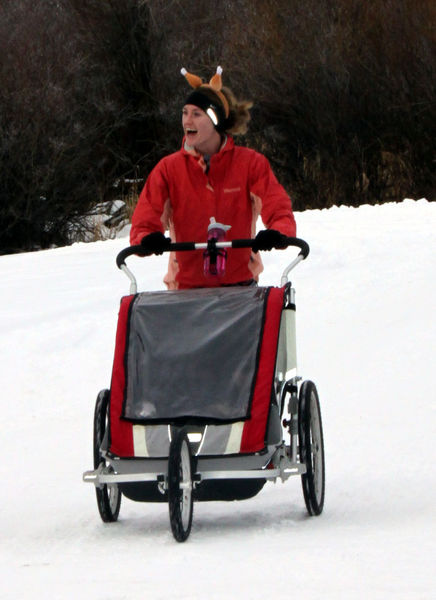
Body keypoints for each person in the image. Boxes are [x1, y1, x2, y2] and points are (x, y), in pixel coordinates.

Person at [130, 66, 296, 289]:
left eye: (196, 114)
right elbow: (146, 218)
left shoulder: (250, 164)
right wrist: (146, 238)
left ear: (215, 119)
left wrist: (279, 232)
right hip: (185, 291)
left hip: (240, 288)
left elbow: (277, 206)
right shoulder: (168, 169)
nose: (187, 121)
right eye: (184, 113)